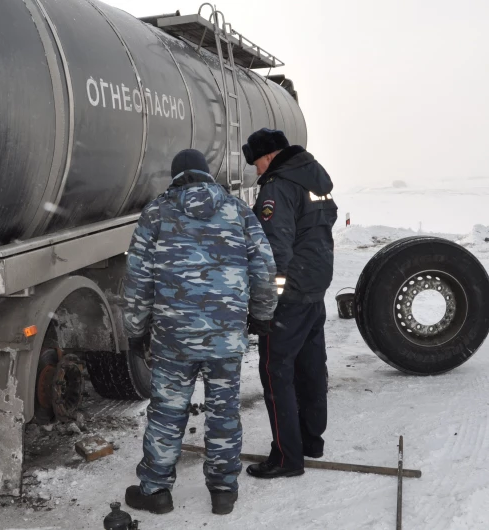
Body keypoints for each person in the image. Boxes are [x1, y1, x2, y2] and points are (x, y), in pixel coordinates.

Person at [122, 149, 278, 516]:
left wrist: (135, 329)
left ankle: (156, 490)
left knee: (167, 410)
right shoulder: (237, 211)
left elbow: (137, 279)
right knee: (224, 409)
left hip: (174, 337)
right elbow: (265, 268)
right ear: (207, 175)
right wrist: (261, 316)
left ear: (175, 177)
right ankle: (223, 490)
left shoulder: (156, 214)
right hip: (225, 335)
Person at [242, 128, 338, 479]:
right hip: (315, 289)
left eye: (257, 162)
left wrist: (265, 305)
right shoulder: (313, 178)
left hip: (290, 297)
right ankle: (311, 441)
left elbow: (275, 250)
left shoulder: (278, 186)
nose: (256, 171)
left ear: (269, 155)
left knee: (276, 373)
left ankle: (286, 457)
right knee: (311, 368)